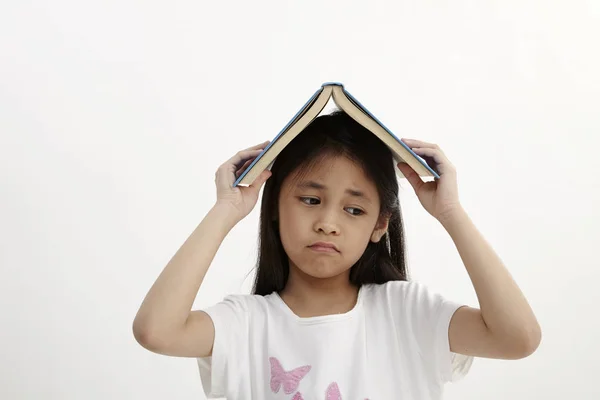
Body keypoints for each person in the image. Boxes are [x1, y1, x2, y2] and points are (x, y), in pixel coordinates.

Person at [133, 110, 542, 399]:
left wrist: (450, 213)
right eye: (310, 199)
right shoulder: (247, 326)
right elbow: (157, 331)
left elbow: (517, 338)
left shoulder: (408, 313)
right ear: (274, 208)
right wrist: (226, 209)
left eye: (354, 209)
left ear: (380, 225)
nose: (329, 223)